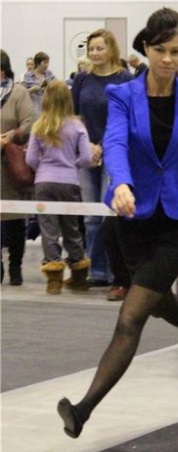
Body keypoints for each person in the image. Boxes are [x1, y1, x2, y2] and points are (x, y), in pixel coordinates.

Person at [56, 7, 178, 439]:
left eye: (177, 51)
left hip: (175, 225)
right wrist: (121, 183)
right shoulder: (123, 96)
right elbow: (116, 143)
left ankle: (83, 410)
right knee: (158, 299)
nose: (168, 59)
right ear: (145, 49)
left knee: (131, 317)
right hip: (130, 219)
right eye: (160, 50)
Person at [71, 28, 132, 298]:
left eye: (99, 48)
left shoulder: (124, 79)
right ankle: (97, 271)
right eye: (91, 49)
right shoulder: (83, 80)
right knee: (91, 217)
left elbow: (127, 118)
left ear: (111, 50)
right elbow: (74, 116)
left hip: (116, 153)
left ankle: (117, 272)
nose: (94, 53)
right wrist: (88, 146)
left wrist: (105, 147)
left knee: (111, 215)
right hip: (87, 152)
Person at [25, 81, 93, 294]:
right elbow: (87, 157)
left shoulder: (40, 126)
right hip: (69, 182)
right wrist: (72, 165)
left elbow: (30, 159)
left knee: (49, 229)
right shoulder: (77, 125)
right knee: (71, 228)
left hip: (44, 183)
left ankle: (53, 280)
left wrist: (43, 168)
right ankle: (79, 275)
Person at [0, 49, 35, 285]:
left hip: (10, 167)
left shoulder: (19, 93)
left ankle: (15, 266)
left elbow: (30, 123)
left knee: (14, 220)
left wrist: (9, 137)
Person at [22, 51, 55, 117]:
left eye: (48, 63)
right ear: (38, 63)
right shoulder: (28, 75)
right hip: (34, 107)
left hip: (47, 107)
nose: (47, 65)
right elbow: (23, 94)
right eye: (45, 63)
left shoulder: (49, 74)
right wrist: (32, 90)